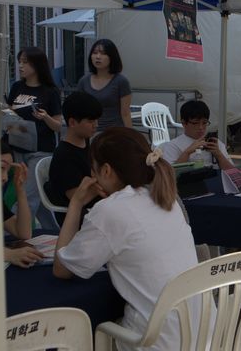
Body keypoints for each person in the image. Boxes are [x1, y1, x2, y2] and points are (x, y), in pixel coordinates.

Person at [53, 127, 214, 350]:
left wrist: (76, 203)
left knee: (88, 334)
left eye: (95, 171)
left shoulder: (110, 210)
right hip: (206, 334)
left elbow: (61, 269)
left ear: (106, 170)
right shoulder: (164, 196)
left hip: (158, 341)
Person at [6, 46, 63, 230]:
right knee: (37, 200)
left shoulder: (50, 91)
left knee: (29, 196)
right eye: (19, 62)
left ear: (37, 65)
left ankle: (13, 233)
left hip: (40, 151)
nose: (21, 66)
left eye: (25, 62)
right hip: (17, 146)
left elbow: (58, 125)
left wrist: (45, 117)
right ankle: (53, 233)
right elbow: (9, 113)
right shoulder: (16, 87)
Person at [47, 91, 103, 209]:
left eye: (96, 120)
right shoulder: (64, 156)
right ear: (72, 122)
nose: (96, 125)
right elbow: (76, 199)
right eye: (90, 121)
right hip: (82, 216)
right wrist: (100, 186)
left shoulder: (86, 143)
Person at [159, 100, 234, 169]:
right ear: (184, 123)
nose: (201, 127)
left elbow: (232, 172)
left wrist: (218, 154)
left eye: (204, 123)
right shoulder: (173, 145)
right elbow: (169, 175)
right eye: (195, 123)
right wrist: (187, 152)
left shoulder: (214, 143)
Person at [77, 39, 132, 131]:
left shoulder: (121, 81)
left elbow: (125, 113)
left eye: (103, 53)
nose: (98, 57)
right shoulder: (84, 81)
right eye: (94, 53)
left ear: (112, 57)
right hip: (90, 132)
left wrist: (131, 136)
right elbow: (79, 110)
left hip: (115, 132)